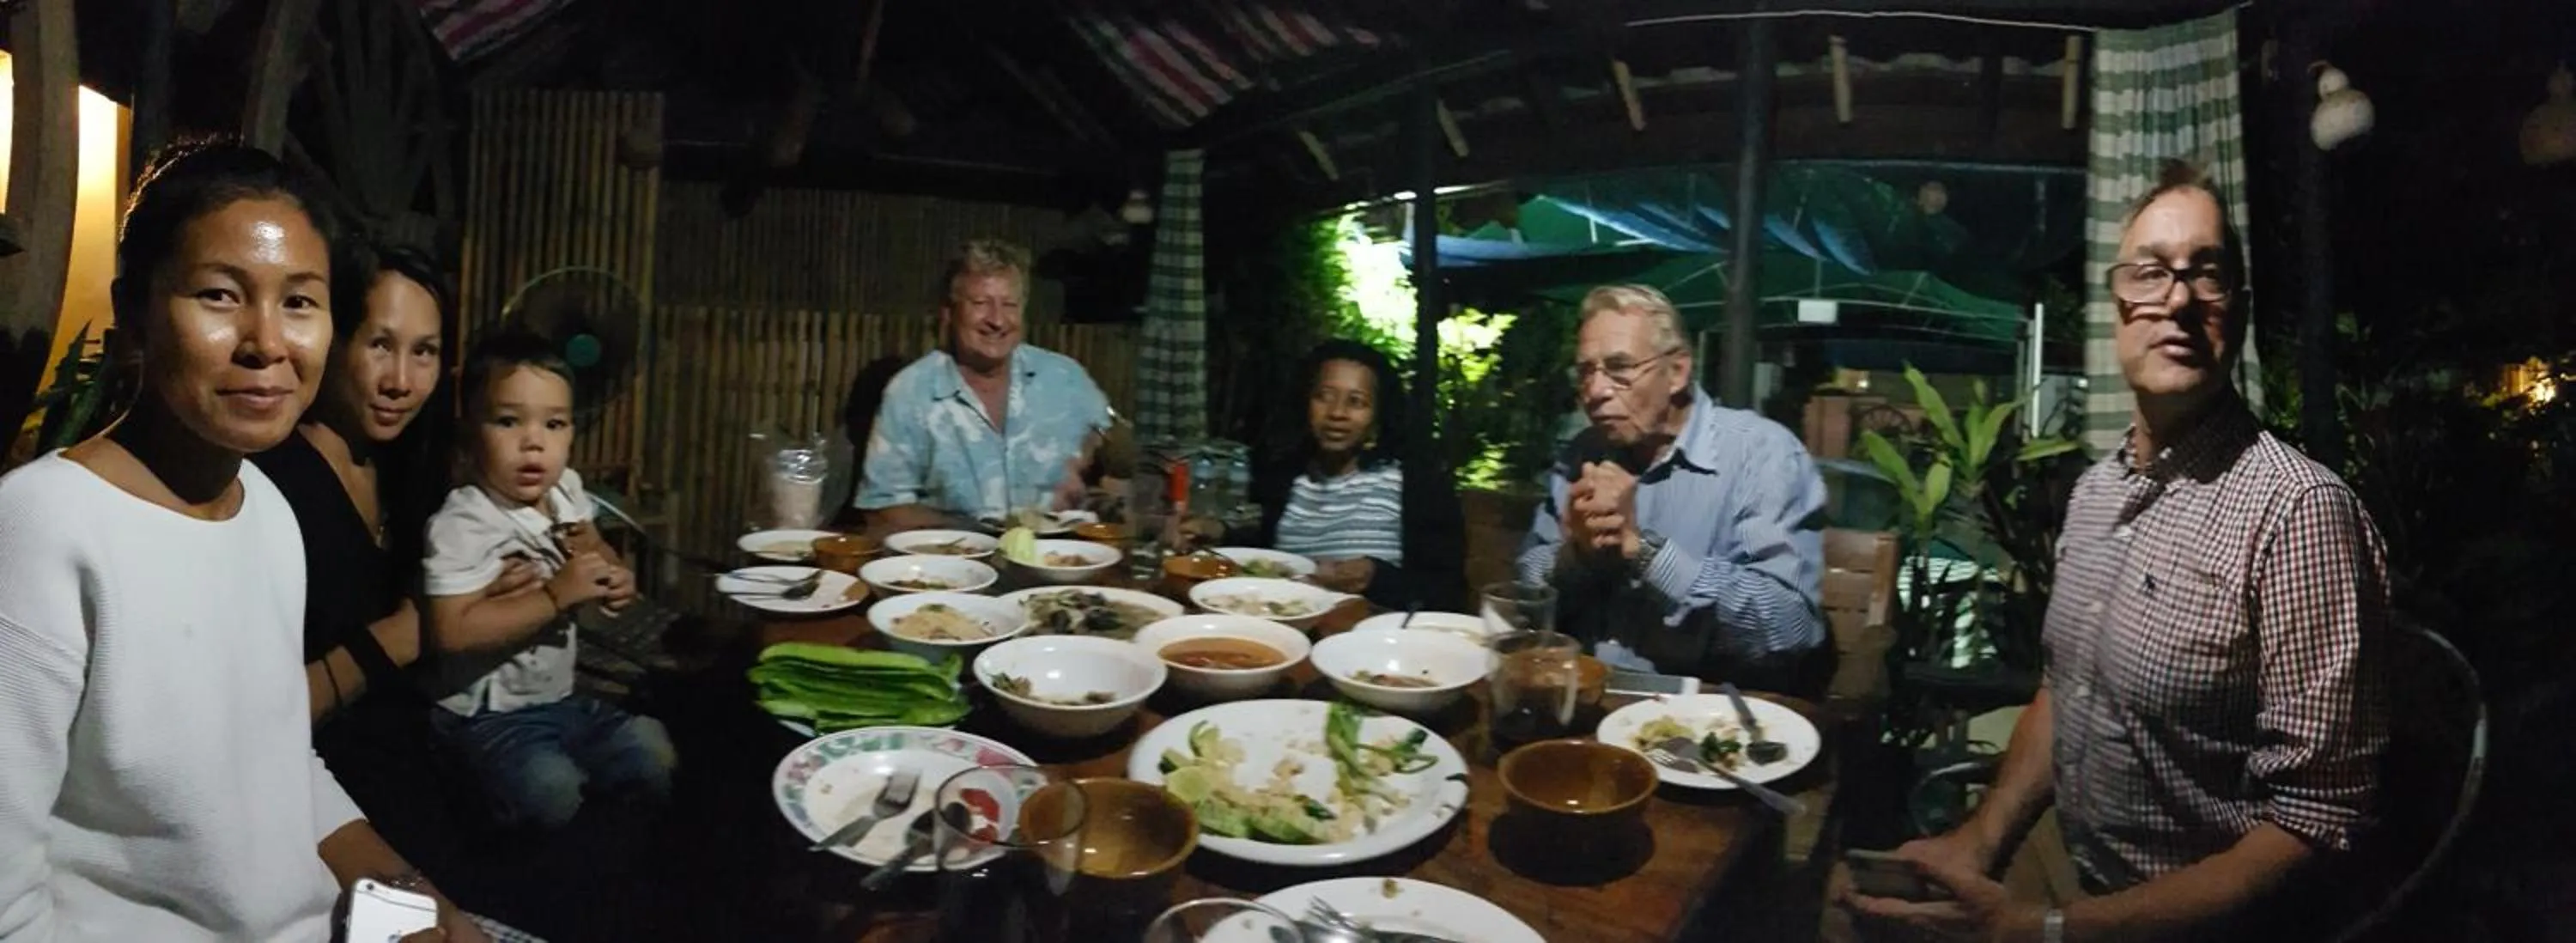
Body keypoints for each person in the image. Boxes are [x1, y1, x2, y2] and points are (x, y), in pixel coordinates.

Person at [1839, 160, 2391, 942]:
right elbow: (2067, 689)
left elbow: (2313, 822)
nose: (2176, 299)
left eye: (2207, 275)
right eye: (2150, 273)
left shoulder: (2298, 512)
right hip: (2062, 860)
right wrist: (1977, 845)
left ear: (2237, 309)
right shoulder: (2097, 492)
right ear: (2116, 307)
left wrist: (2049, 930)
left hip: (2184, 919)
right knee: (1844, 910)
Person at [0, 139, 486, 940]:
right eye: (221, 296)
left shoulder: (263, 505)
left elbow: (279, 762)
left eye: (300, 303)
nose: (268, 344)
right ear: (134, 311)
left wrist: (417, 903)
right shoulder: (42, 531)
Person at [252, 245, 556, 886]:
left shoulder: (405, 469)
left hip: (427, 744)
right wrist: (415, 629)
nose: (401, 381)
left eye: (425, 351)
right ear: (332, 339)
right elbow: (253, 719)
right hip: (321, 786)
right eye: (380, 345)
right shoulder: (272, 484)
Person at [1514, 284, 1827, 687]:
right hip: (1582, 693)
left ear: (1677, 371)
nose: (1595, 392)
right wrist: (1577, 556)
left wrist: (1642, 551)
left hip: (1702, 715)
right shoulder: (1582, 454)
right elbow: (1525, 587)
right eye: (1586, 372)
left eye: (1620, 368)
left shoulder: (1761, 454)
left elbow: (1789, 626)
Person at [422, 332, 674, 830]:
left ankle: (624, 850)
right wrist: (556, 594)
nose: (534, 441)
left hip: (560, 696)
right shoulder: (466, 521)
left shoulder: (565, 490)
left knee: (654, 751)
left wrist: (612, 575)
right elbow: (451, 631)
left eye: (554, 424)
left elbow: (591, 548)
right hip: (486, 715)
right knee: (549, 790)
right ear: (471, 431)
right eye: (508, 421)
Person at [1185, 339, 1465, 611]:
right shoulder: (1285, 478)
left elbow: (1447, 592)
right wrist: (1216, 533)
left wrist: (1376, 576)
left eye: (1356, 402)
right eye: (1324, 397)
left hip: (1375, 637)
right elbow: (1262, 556)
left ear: (1378, 416)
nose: (1337, 413)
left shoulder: (1416, 483)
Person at [855, 239, 1109, 530]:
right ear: (948, 313)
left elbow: (1116, 453)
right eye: (980, 304)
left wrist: (1096, 454)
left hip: (1062, 562)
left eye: (1010, 305)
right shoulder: (911, 392)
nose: (997, 320)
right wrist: (981, 534)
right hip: (957, 566)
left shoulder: (1065, 378)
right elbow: (882, 512)